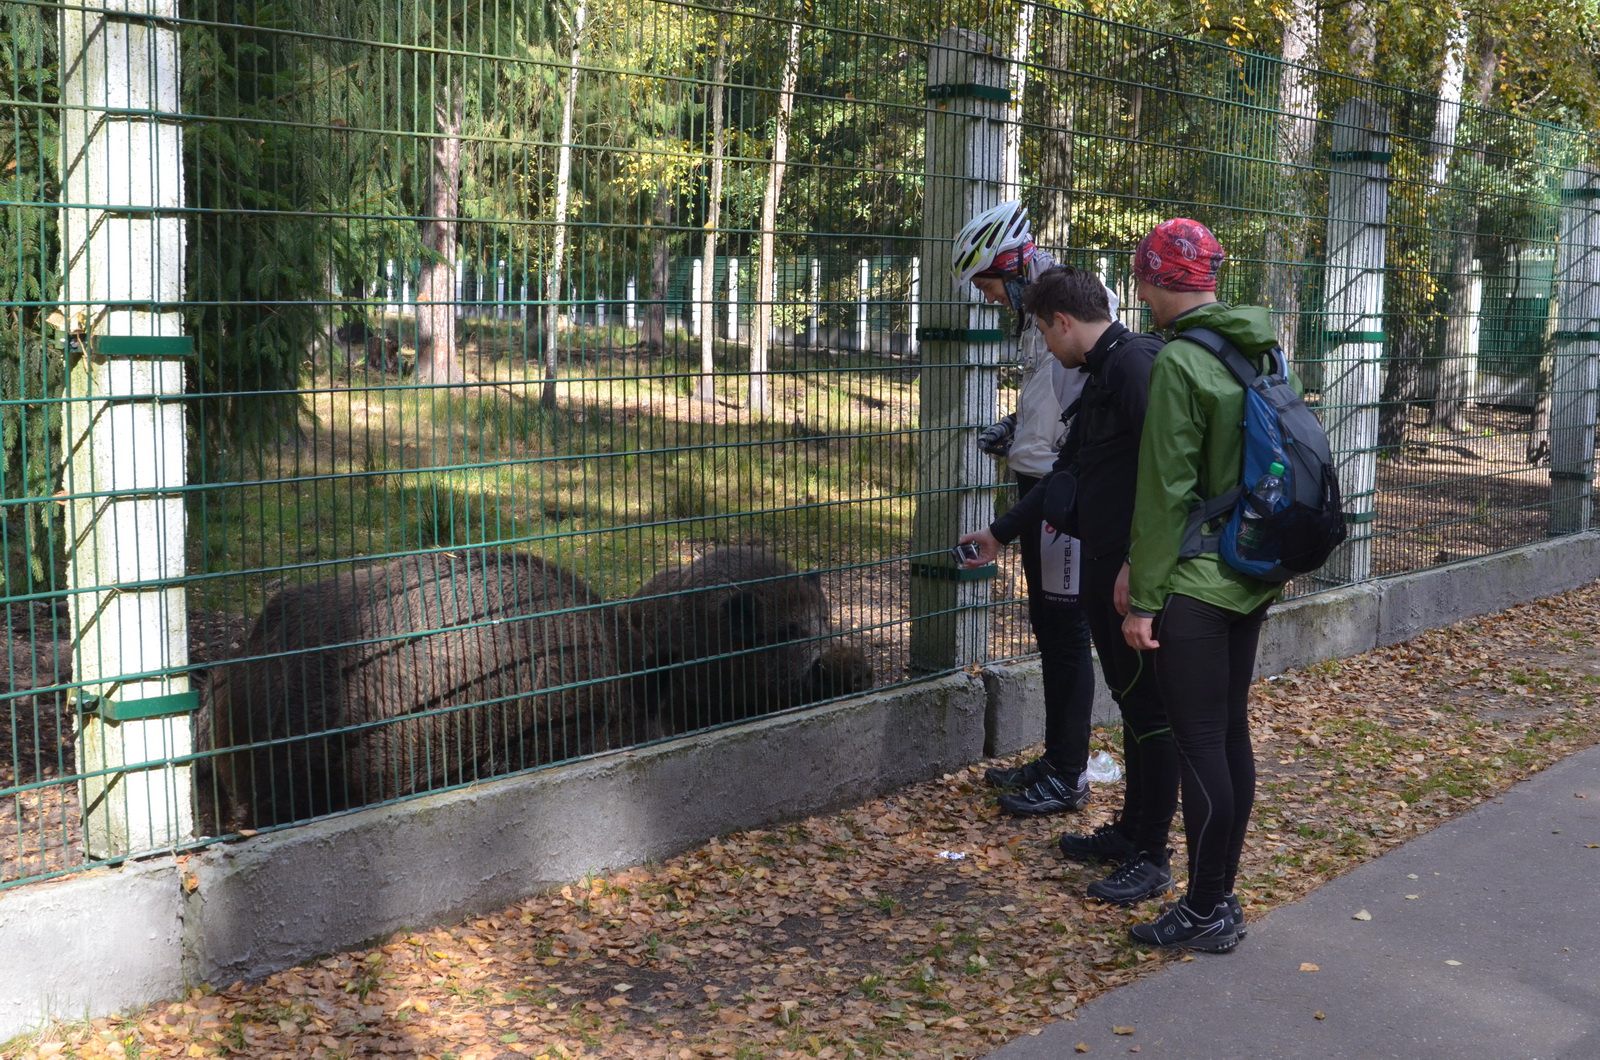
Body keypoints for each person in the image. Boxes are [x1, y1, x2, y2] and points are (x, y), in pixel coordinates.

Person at [958, 265, 1178, 906]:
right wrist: (1001, 532)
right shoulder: (1103, 373)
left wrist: (1143, 567)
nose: (1044, 351)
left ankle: (1153, 856)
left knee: (1150, 716)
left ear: (1061, 322)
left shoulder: (1137, 367)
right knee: (1133, 709)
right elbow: (1073, 473)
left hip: (1135, 576)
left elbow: (1170, 476)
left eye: (1042, 333)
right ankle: (1132, 831)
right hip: (1106, 566)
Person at [1121, 217, 1291, 953]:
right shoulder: (1257, 342)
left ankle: (1208, 907)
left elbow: (1164, 491)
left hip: (1194, 582)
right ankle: (1216, 899)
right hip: (1249, 569)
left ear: (1155, 279)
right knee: (1228, 736)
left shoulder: (1178, 363)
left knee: (1198, 745)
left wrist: (1145, 598)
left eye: (1141, 278)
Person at [950, 201, 1096, 816]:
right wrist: (1017, 427)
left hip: (1060, 497)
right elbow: (1057, 402)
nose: (988, 300)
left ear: (1011, 268)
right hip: (1040, 485)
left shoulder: (1069, 314)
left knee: (1066, 633)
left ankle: (1069, 774)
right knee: (1050, 626)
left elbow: (1087, 412)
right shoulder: (1046, 314)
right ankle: (1058, 760)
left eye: (987, 285)